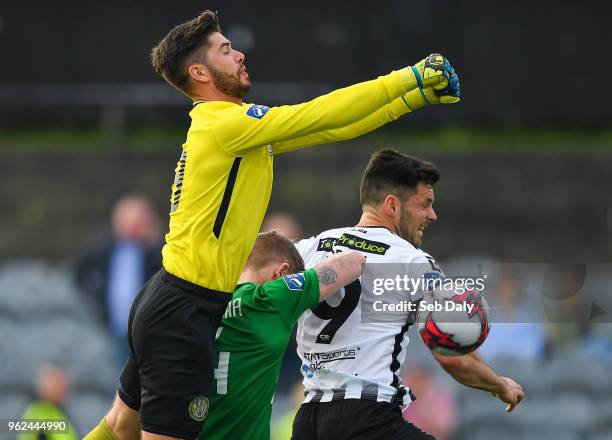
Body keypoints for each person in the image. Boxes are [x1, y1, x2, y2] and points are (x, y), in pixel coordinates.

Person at [86, 9, 460, 440]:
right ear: (199, 71)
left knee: (117, 427)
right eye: (225, 50)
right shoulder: (225, 123)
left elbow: (334, 126)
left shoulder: (231, 129)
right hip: (185, 308)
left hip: (169, 298)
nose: (240, 54)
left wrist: (413, 97)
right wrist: (411, 77)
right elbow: (320, 114)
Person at [292, 149, 524, 439]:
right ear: (392, 205)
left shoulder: (307, 248)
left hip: (308, 421)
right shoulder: (413, 261)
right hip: (367, 419)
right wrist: (500, 385)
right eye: (425, 204)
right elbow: (452, 355)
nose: (432, 215)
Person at [84, 232, 364, 440]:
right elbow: (353, 262)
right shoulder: (270, 298)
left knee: (119, 422)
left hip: (174, 417)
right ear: (282, 272)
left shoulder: (191, 307)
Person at [75, 194, 162, 349]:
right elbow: (80, 272)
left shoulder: (155, 252)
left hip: (148, 328)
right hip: (113, 327)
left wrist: (151, 237)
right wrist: (97, 296)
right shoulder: (105, 250)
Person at [18, 365, 78, 440]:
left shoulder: (62, 412)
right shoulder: (35, 413)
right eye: (54, 380)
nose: (60, 385)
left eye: (62, 380)